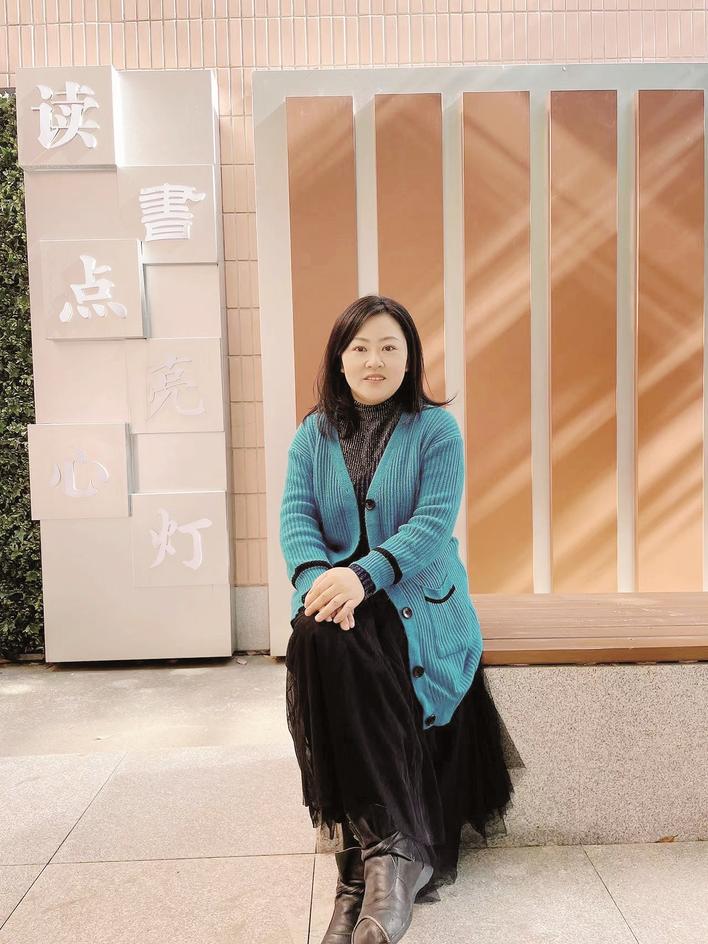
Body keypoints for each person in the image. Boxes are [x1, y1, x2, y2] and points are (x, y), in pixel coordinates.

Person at [280, 295, 519, 944]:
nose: (374, 360)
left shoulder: (435, 430)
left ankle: (366, 868)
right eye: (359, 347)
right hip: (338, 595)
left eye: (389, 347)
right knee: (316, 635)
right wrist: (318, 583)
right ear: (339, 359)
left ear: (410, 358)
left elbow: (432, 525)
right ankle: (378, 855)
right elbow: (297, 521)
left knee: (341, 646)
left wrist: (361, 577)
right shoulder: (312, 434)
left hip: (414, 597)